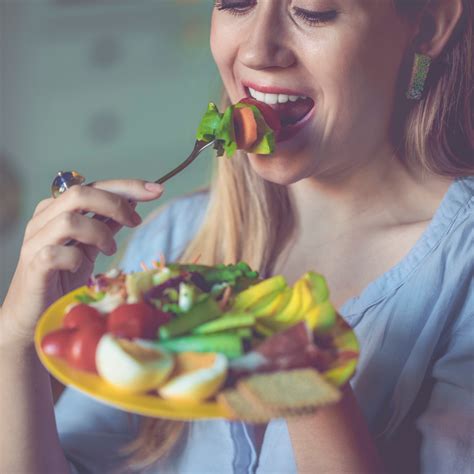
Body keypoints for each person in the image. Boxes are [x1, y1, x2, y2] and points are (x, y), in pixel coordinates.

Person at [1, 0, 472, 472]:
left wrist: (303, 382)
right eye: (236, 2)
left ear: (429, 24)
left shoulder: (462, 269)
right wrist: (14, 339)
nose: (257, 50)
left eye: (312, 10)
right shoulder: (171, 240)